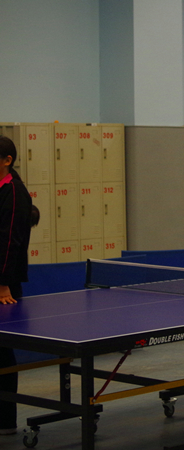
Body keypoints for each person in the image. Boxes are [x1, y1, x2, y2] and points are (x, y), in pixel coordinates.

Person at [0, 136, 34, 436]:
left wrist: (3, 284)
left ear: (7, 160)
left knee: (2, 352)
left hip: (4, 287)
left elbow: (9, 240)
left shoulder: (13, 191)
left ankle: (5, 420)